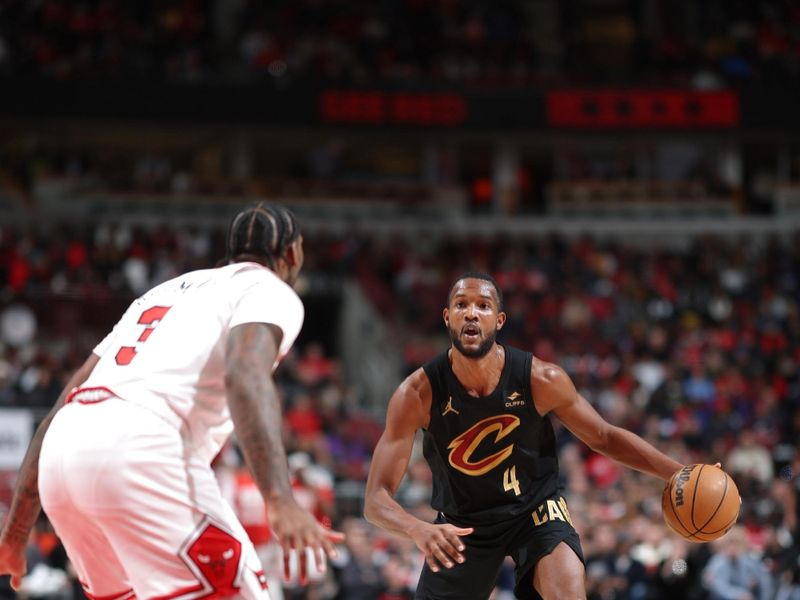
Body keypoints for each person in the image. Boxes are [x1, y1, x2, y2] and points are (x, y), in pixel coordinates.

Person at [0, 203, 344, 599]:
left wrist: (15, 533)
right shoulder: (269, 288)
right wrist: (281, 500)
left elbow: (63, 405)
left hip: (64, 453)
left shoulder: (161, 293)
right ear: (293, 254)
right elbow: (245, 375)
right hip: (139, 447)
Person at [364, 272, 685, 600]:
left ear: (499, 320)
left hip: (536, 509)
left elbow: (604, 436)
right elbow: (375, 499)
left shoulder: (541, 379)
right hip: (462, 524)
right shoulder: (417, 394)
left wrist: (677, 473)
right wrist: (417, 529)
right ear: (448, 317)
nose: (472, 312)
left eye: (483, 306)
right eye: (461, 305)